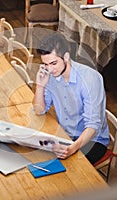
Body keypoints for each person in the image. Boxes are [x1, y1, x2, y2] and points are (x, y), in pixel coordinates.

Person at [33, 33, 110, 165]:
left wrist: (72, 148)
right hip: (65, 134)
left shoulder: (90, 79)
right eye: (45, 64)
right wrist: (40, 86)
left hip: (92, 140)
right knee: (37, 159)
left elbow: (93, 125)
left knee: (67, 169)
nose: (49, 69)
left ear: (66, 57)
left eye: (53, 63)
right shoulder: (50, 75)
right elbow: (39, 110)